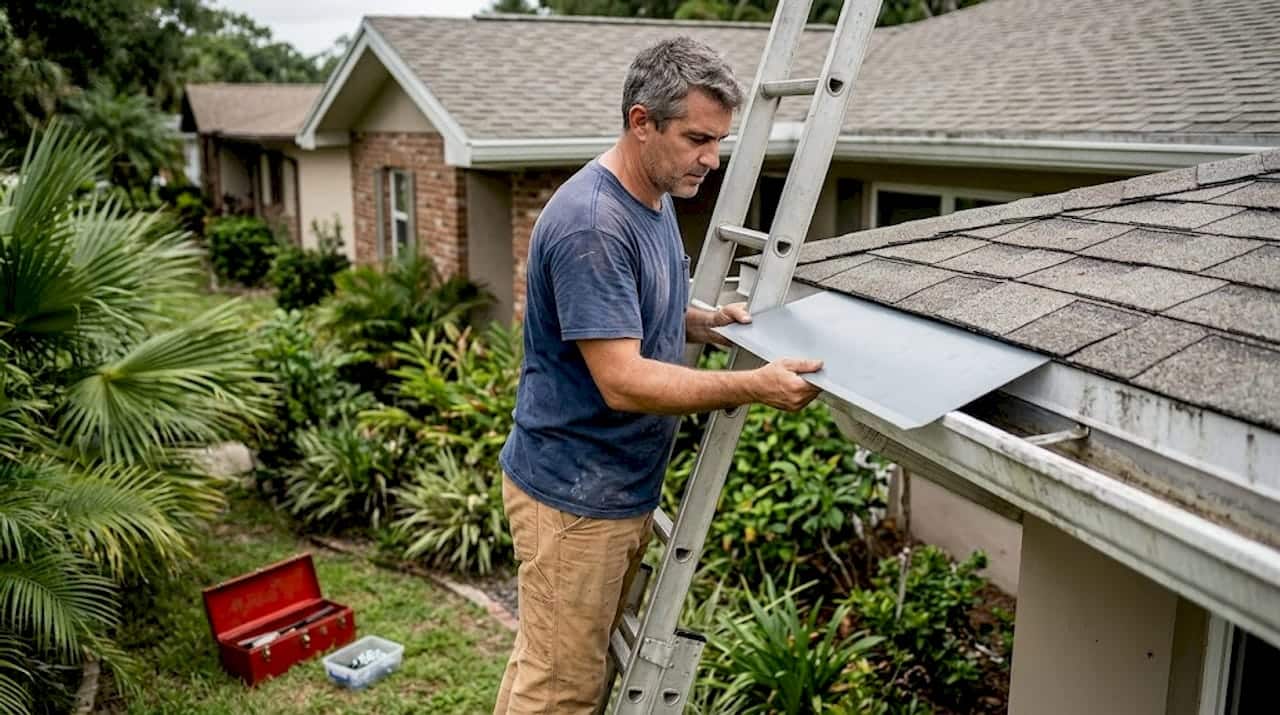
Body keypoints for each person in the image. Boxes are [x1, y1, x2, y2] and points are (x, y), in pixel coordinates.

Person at [493, 36, 824, 714]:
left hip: (610, 489)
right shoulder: (594, 225)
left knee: (549, 668)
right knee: (560, 691)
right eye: (697, 138)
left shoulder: (652, 195)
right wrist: (754, 385)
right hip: (575, 501)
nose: (712, 158)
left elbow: (640, 314)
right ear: (642, 122)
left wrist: (706, 321)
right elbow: (623, 380)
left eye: (719, 140)